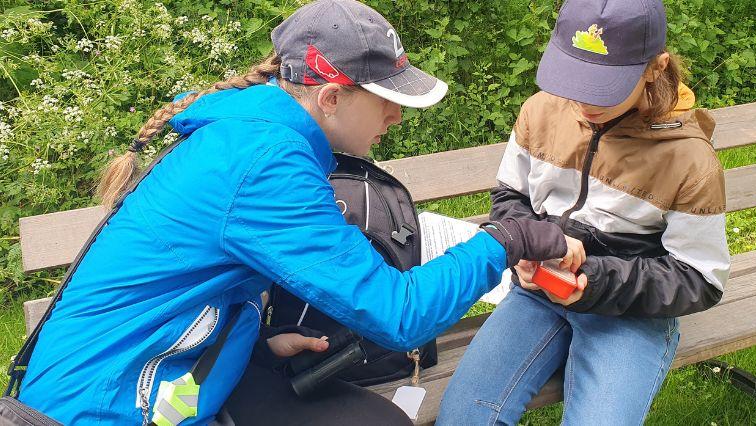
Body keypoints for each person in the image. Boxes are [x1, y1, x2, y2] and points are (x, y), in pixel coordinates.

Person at [15, 1, 583, 425]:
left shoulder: (256, 135)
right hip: (106, 404)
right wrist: (506, 240)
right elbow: (398, 313)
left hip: (186, 365)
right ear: (331, 97)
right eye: (388, 100)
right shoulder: (264, 163)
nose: (397, 117)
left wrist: (261, 339)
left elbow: (193, 283)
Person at [437, 0, 731, 424]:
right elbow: (510, 197)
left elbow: (700, 279)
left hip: (629, 311)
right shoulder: (541, 112)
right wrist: (527, 248)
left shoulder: (689, 160)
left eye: (602, 87)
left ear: (655, 66)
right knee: (464, 419)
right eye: (574, 78)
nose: (582, 101)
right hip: (537, 293)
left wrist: (594, 281)